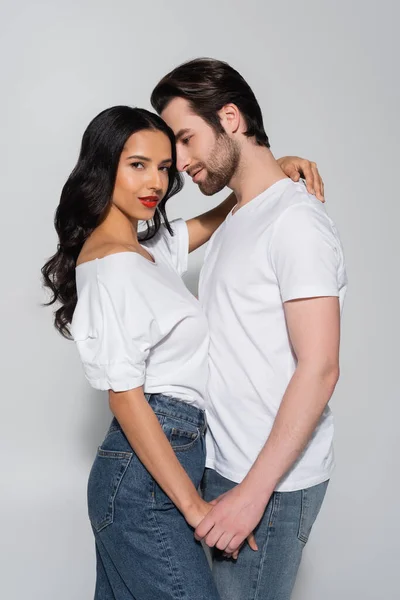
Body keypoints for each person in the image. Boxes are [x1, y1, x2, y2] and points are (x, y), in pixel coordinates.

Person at [41, 105, 321, 599]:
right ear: (104, 167)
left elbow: (210, 222)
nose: (155, 182)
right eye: (138, 165)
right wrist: (194, 508)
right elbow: (125, 398)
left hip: (164, 461)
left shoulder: (145, 253)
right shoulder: (114, 267)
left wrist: (271, 175)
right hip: (145, 474)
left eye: (165, 167)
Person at [151, 57, 347, 600]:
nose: (181, 165)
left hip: (270, 483)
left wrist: (252, 495)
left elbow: (321, 367)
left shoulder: (296, 221)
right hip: (224, 464)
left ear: (230, 118)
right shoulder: (239, 217)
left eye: (187, 140)